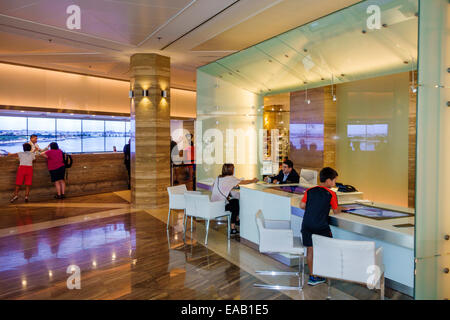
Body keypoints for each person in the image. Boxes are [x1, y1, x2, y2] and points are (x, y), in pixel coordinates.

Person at [299, 167, 346, 286]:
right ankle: (327, 272)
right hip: (321, 226)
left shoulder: (310, 190)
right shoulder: (331, 193)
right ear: (329, 180)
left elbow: (302, 205)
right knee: (328, 248)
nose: (334, 183)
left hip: (307, 225)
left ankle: (313, 276)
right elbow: (336, 211)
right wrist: (342, 209)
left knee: (310, 250)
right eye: (334, 180)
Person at [211, 163, 258, 235]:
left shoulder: (218, 178)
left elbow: (218, 188)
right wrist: (253, 180)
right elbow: (243, 182)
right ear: (231, 170)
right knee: (235, 202)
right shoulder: (231, 178)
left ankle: (236, 219)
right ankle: (233, 227)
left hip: (214, 204)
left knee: (233, 201)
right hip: (222, 206)